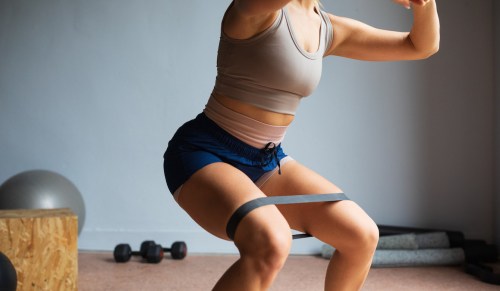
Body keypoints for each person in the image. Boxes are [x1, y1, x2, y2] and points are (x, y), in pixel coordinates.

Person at [163, 0, 439, 290]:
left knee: (361, 235)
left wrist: (425, 4)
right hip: (204, 153)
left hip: (267, 162)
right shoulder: (257, 9)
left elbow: (420, 46)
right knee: (272, 241)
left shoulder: (327, 28)